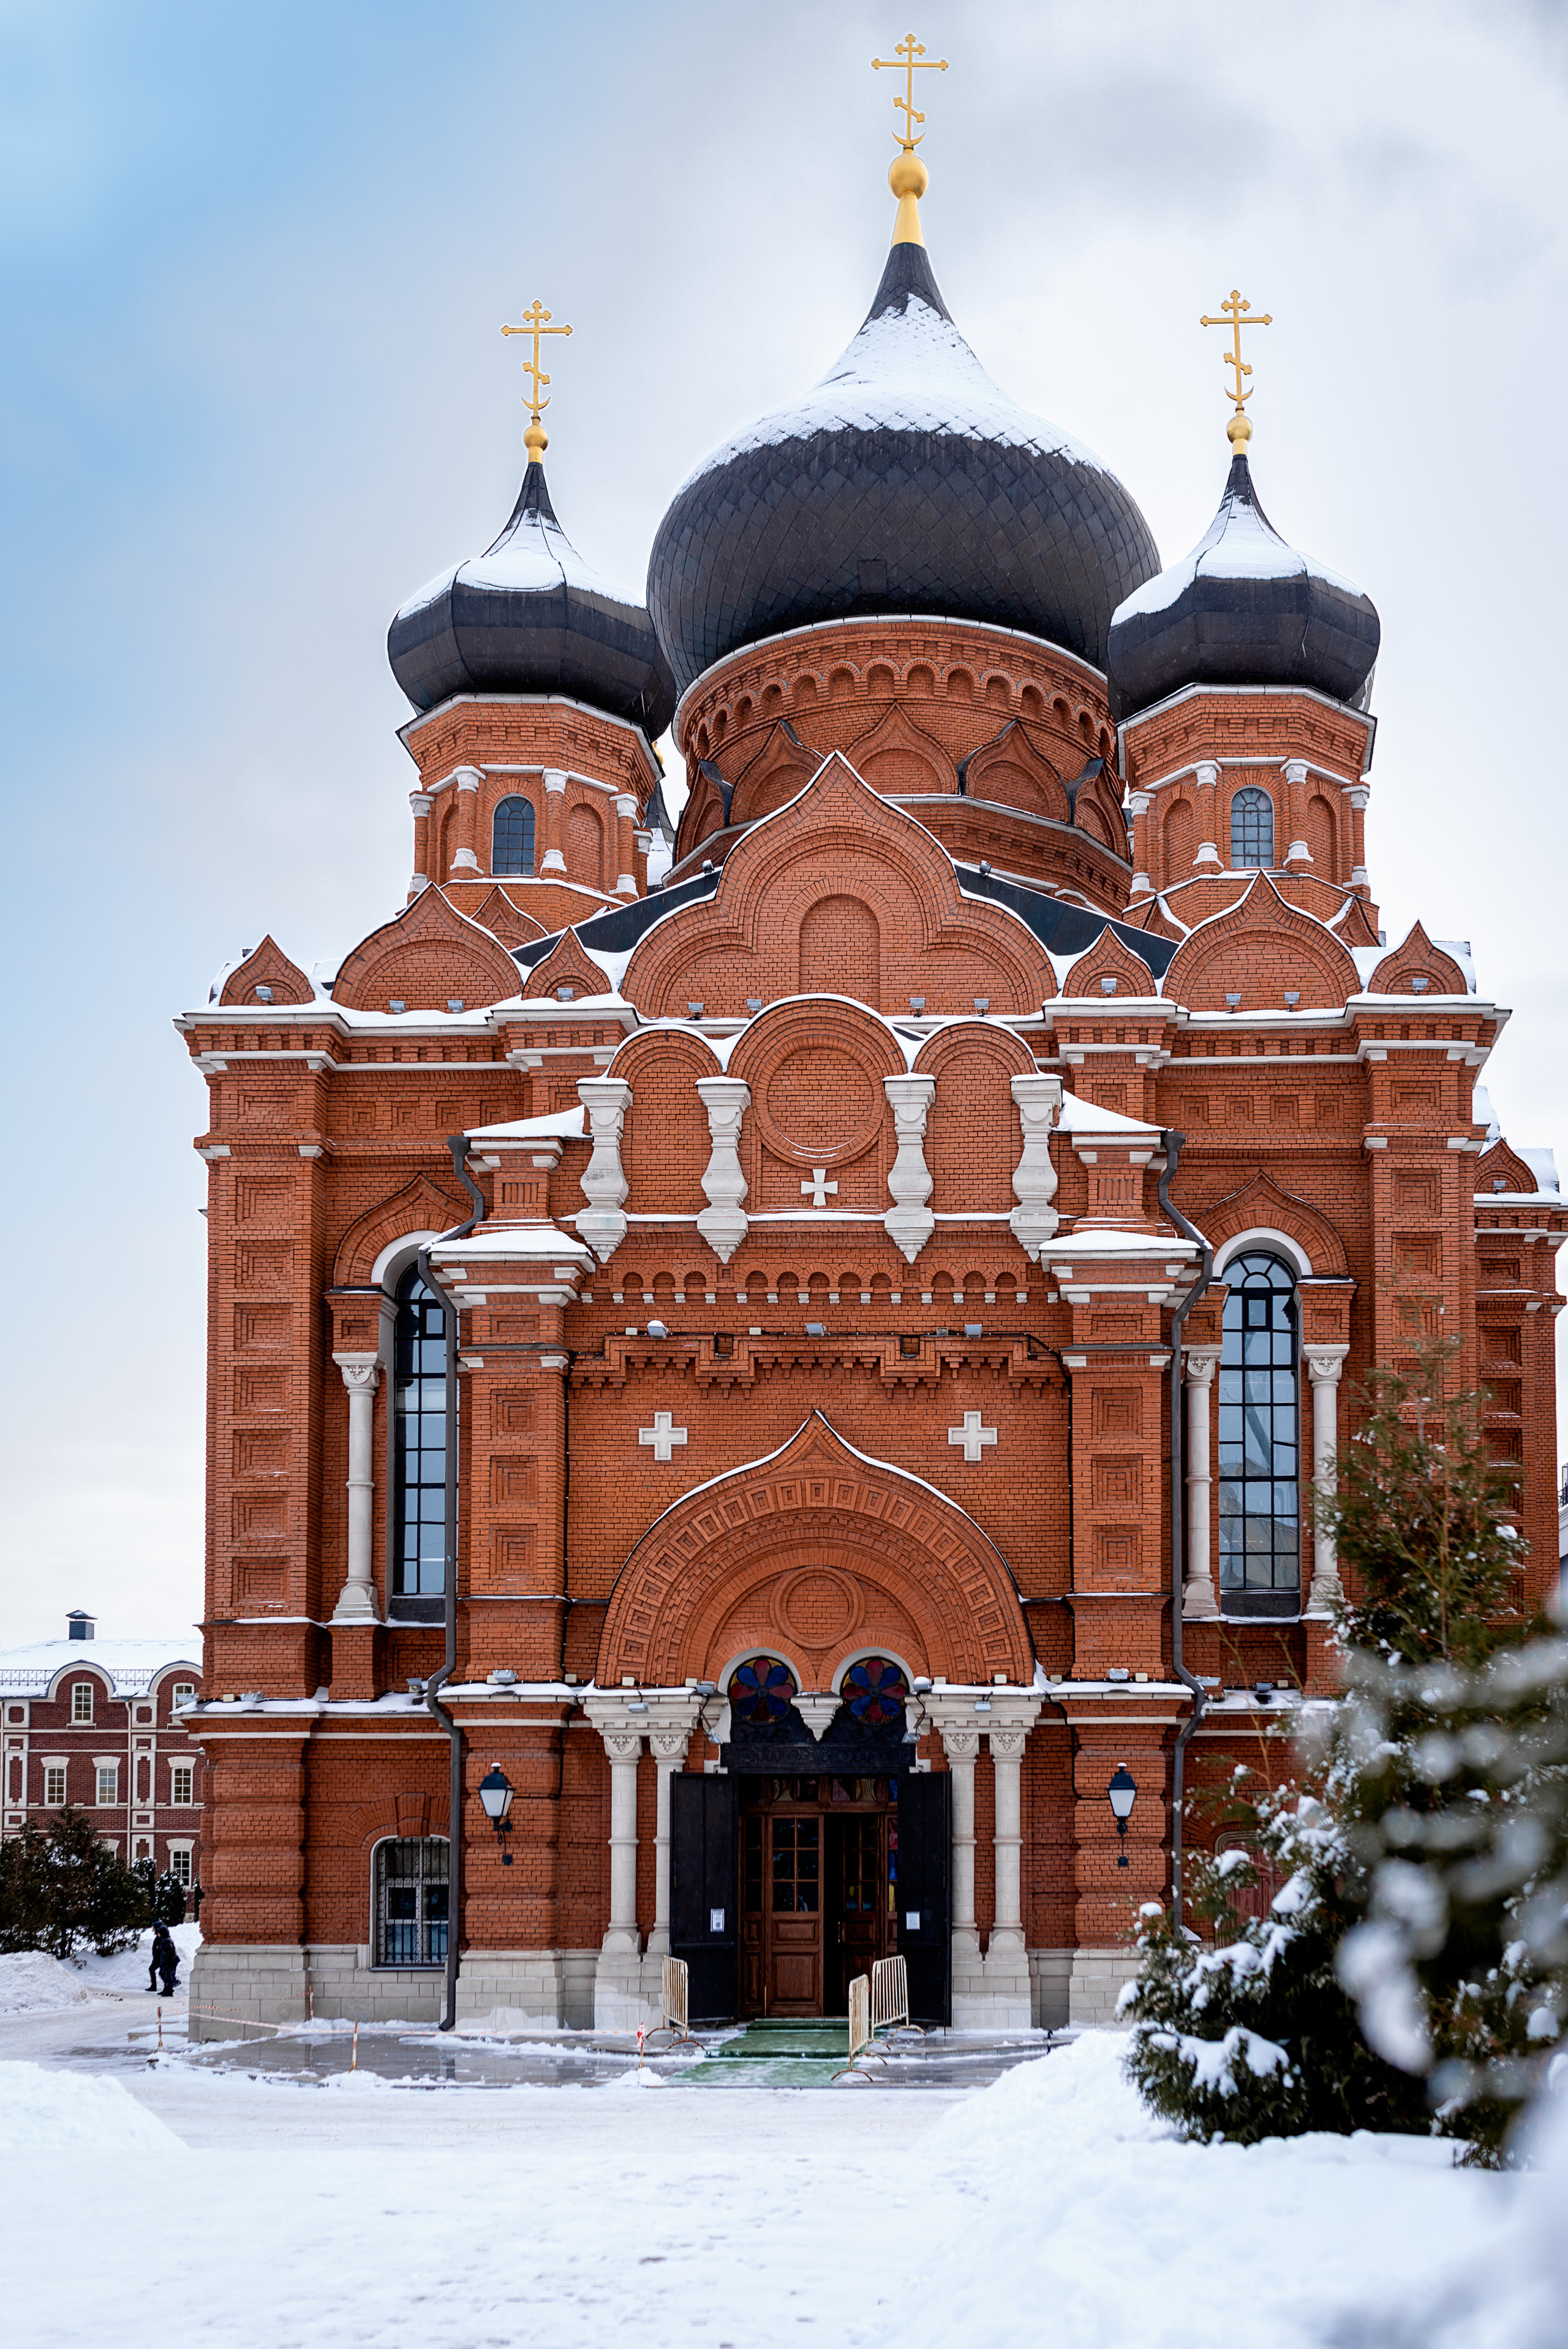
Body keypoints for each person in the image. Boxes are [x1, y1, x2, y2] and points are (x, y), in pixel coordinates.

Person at [149, 1921, 179, 1997]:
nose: (158, 1934)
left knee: (166, 1975)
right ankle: (167, 1989)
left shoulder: (166, 1941)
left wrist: (164, 1958)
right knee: (165, 1974)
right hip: (166, 1962)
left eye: (159, 1933)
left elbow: (168, 1953)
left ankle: (170, 1989)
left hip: (169, 1962)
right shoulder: (164, 1940)